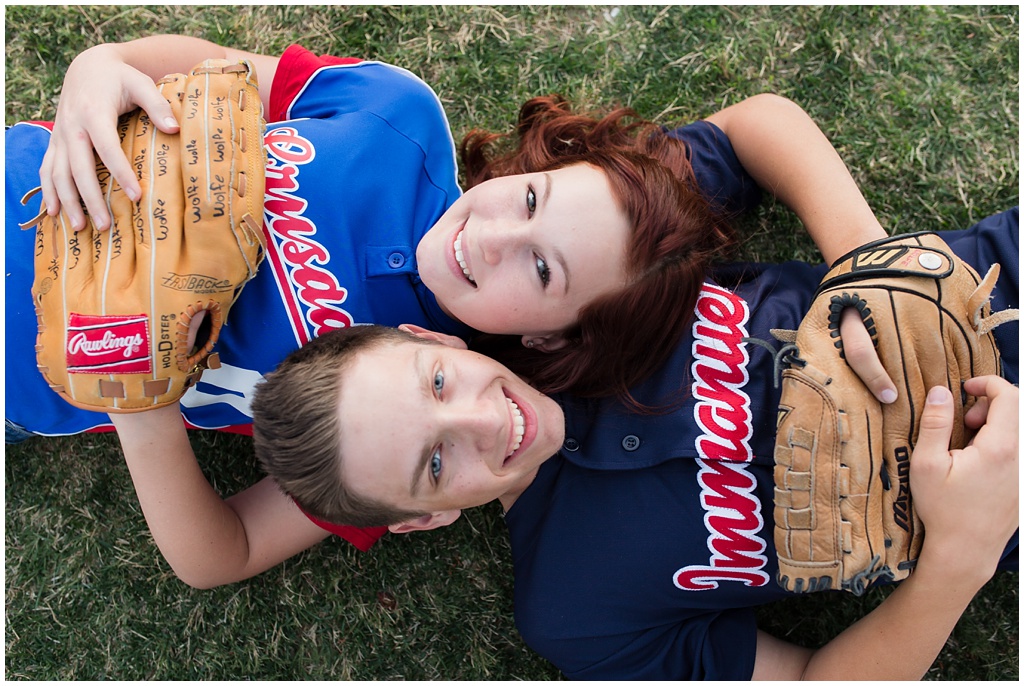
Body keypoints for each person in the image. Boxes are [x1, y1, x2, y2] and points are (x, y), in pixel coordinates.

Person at [7, 37, 897, 554]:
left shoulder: (401, 412)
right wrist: (98, 66)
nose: (493, 235)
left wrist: (137, 405)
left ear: (549, 340)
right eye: (532, 198)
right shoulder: (396, 116)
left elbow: (223, 552)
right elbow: (207, 75)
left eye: (540, 273)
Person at [247, 208, 1019, 679]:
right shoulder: (573, 611)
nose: (488, 424)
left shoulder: (560, 284)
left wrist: (867, 264)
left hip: (996, 287)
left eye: (439, 384)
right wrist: (960, 558)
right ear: (422, 520)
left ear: (427, 336)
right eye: (436, 462)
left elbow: (751, 132)